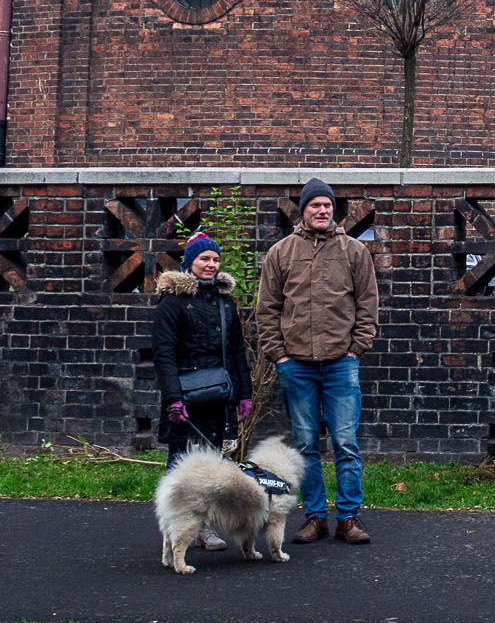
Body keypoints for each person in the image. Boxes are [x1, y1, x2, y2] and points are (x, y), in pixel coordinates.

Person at [255, 177, 378, 544]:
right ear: (303, 211)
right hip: (297, 365)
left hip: (342, 362)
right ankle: (314, 517)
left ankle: (349, 518)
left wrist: (357, 348)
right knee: (306, 445)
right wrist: (279, 355)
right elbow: (267, 309)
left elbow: (367, 306)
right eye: (314, 206)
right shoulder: (281, 253)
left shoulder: (355, 252)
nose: (322, 211)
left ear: (333, 211)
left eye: (327, 205)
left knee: (345, 442)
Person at [154, 231, 254, 551]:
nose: (211, 265)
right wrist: (172, 398)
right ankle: (174, 528)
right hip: (184, 397)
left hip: (218, 397)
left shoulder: (226, 303)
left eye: (215, 259)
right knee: (179, 463)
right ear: (189, 262)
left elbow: (237, 352)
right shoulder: (172, 303)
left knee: (211, 464)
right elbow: (164, 352)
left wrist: (244, 393)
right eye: (204, 259)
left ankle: (204, 527)